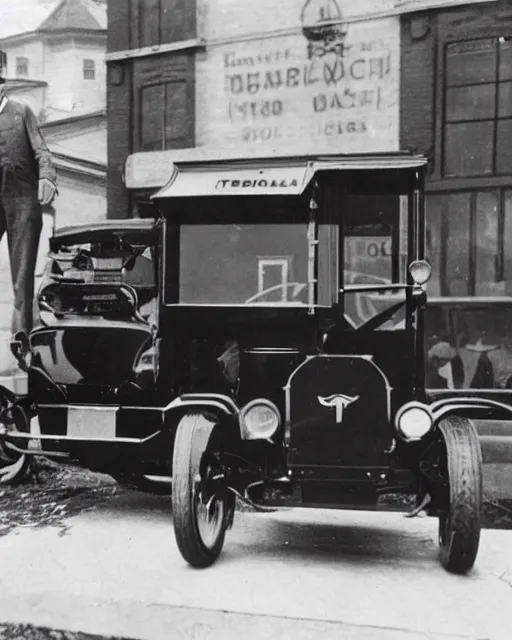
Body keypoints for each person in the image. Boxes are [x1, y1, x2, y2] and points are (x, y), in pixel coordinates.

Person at [0, 51, 57, 346]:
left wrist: (47, 176)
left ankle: (21, 332)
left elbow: (42, 150)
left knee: (22, 269)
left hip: (21, 198)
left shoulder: (21, 111)